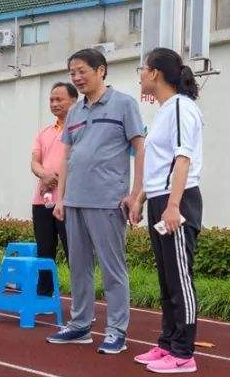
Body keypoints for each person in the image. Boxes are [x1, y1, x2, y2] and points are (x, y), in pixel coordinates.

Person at [47, 48, 145, 355]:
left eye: (81, 71)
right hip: (74, 199)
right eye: (72, 73)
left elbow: (140, 149)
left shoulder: (124, 105)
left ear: (101, 70)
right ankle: (80, 325)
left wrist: (136, 193)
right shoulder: (75, 112)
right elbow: (66, 157)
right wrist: (61, 197)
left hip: (107, 200)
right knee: (78, 267)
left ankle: (117, 330)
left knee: (112, 268)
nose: (76, 78)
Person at [132, 47, 204, 374]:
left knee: (180, 277)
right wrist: (142, 199)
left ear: (156, 74)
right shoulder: (162, 111)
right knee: (166, 277)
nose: (140, 75)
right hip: (161, 197)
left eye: (142, 69)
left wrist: (173, 206)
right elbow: (159, 164)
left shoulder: (180, 108)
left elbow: (182, 158)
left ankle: (184, 352)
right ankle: (167, 343)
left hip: (178, 199)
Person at [31, 82, 78, 295]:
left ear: (74, 101)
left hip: (69, 201)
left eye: (60, 99)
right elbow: (34, 162)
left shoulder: (80, 129)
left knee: (75, 253)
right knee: (44, 252)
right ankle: (44, 296)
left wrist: (61, 179)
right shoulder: (44, 132)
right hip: (42, 200)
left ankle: (82, 304)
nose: (54, 103)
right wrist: (44, 175)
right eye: (51, 100)